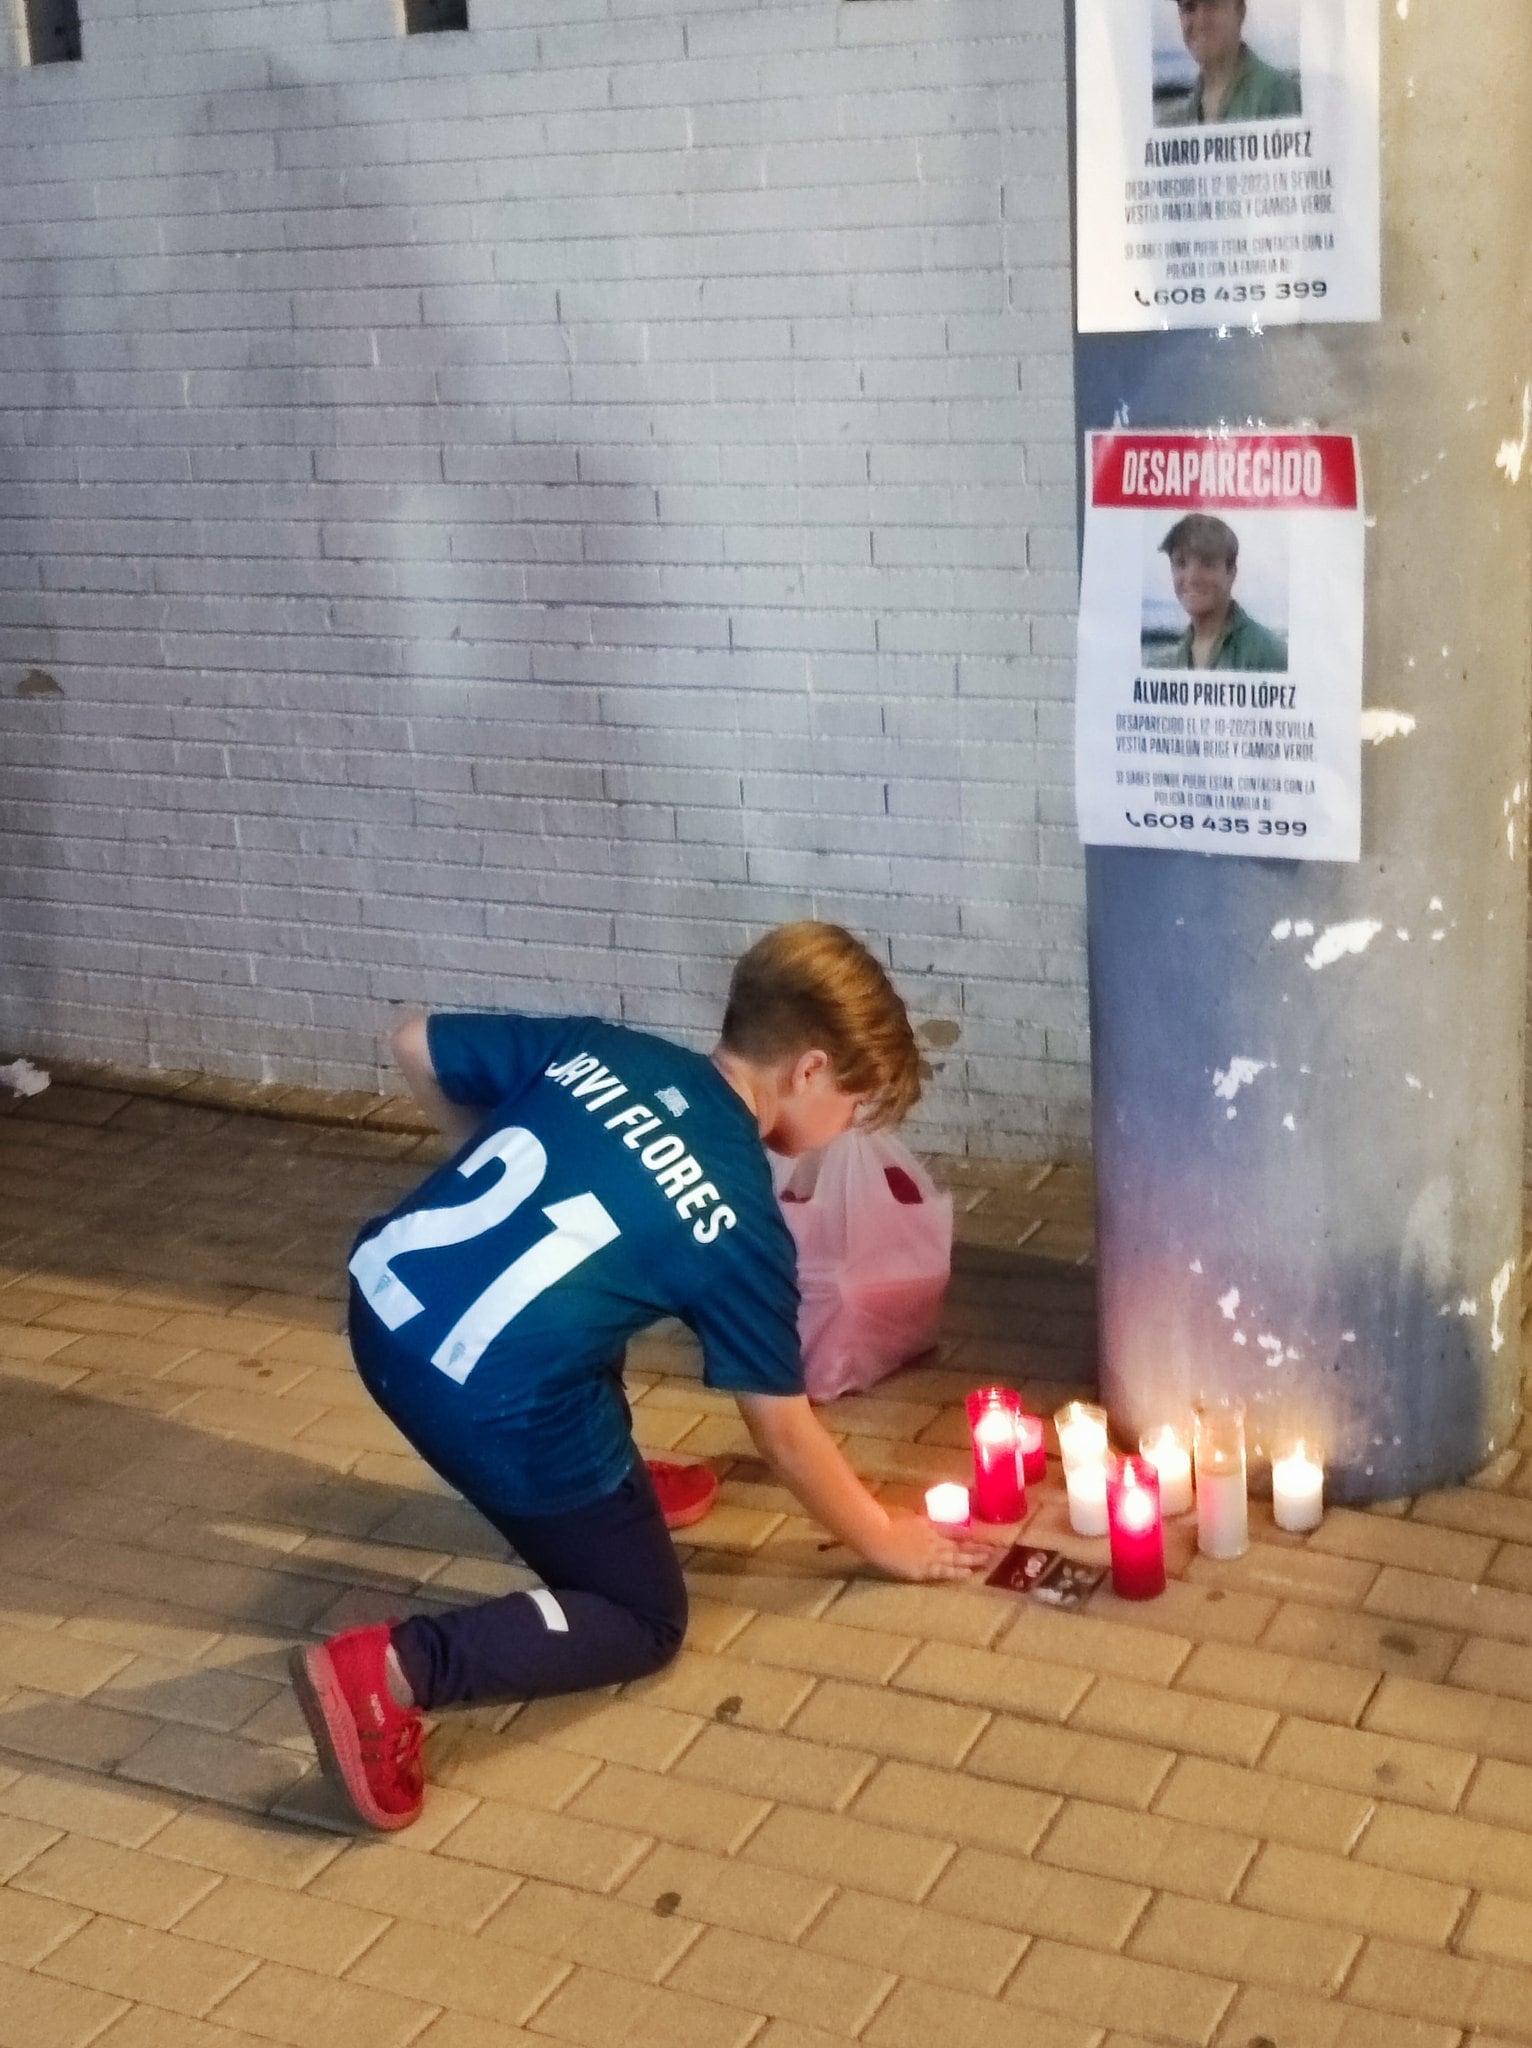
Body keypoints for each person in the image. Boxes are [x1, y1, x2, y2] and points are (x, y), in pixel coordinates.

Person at [289, 922, 996, 1830]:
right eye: (854, 1103)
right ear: (811, 1069)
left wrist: (476, 1154)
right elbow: (783, 1432)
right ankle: (393, 1672)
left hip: (379, 1313)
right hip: (484, 1405)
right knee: (641, 1618)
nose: (848, 1128)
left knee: (599, 1289)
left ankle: (612, 1492)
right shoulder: (737, 1216)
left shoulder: (603, 1050)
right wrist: (884, 1537)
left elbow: (415, 1041)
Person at [1154, 513, 1288, 672]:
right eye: (1180, 563)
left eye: (1207, 563)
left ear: (1231, 573)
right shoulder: (1175, 660)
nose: (1191, 578)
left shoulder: (1269, 654)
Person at [1161, 0, 1302, 126]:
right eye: (1189, 7)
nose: (1201, 21)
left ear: (1240, 12)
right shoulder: (1184, 116)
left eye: (1212, 5)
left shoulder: (1277, 94)